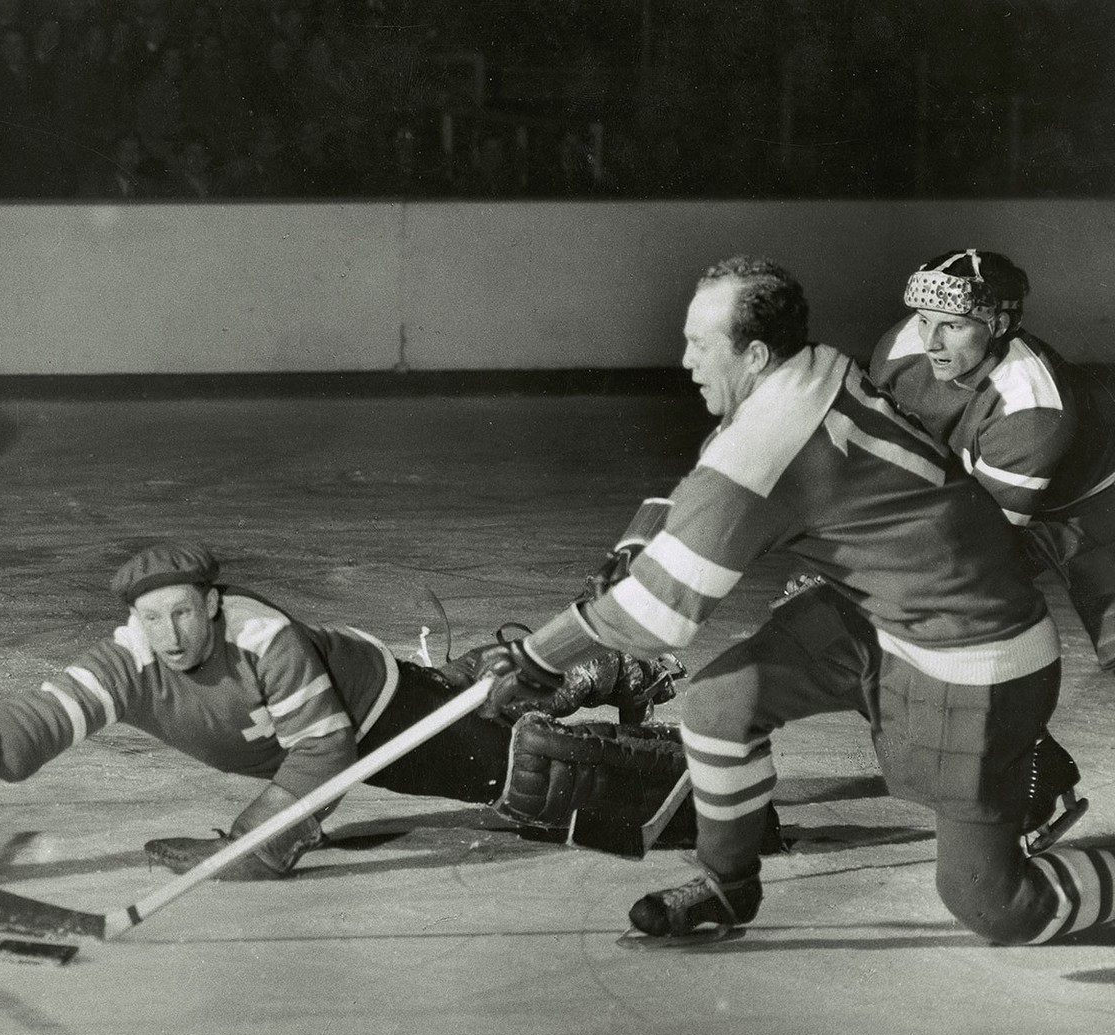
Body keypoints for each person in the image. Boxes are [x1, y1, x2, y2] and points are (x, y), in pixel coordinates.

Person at [470, 255, 1115, 945]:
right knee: (719, 704)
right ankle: (727, 883)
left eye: (699, 344)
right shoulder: (827, 365)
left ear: (755, 353)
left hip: (993, 619)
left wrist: (539, 660)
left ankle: (1026, 767)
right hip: (887, 604)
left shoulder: (1031, 406)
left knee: (993, 904)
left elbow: (662, 616)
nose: (684, 362)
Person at [0, 542, 702, 881]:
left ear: (213, 602)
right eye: (154, 618)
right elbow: (35, 723)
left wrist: (252, 848)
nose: (171, 632)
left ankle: (642, 707)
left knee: (531, 774)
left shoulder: (266, 638)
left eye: (185, 611)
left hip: (381, 717)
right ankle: (597, 677)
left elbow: (325, 754)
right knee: (491, 707)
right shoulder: (130, 661)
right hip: (356, 710)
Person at [870, 249, 1115, 671]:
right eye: (924, 319)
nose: (930, 342)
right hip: (1005, 472)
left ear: (998, 325)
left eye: (953, 325)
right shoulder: (899, 346)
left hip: (1093, 499)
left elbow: (981, 549)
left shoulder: (1031, 408)